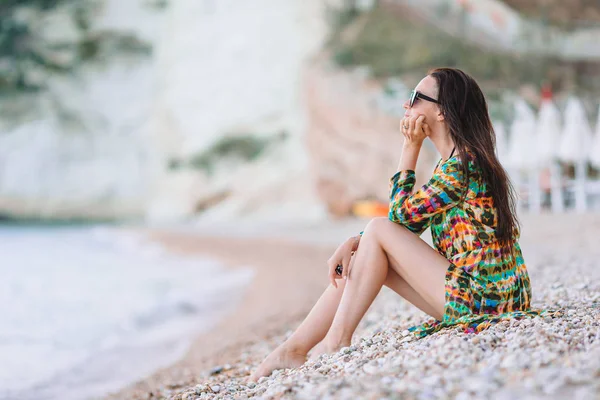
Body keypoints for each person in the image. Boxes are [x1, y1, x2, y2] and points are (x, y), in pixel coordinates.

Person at [248, 67, 557, 382]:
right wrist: (355, 242)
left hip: (489, 300)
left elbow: (395, 222)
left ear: (440, 112)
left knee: (378, 230)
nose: (406, 107)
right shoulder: (461, 163)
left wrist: (410, 148)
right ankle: (294, 348)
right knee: (369, 248)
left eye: (414, 98)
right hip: (491, 298)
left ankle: (335, 340)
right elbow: (404, 226)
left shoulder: (462, 167)